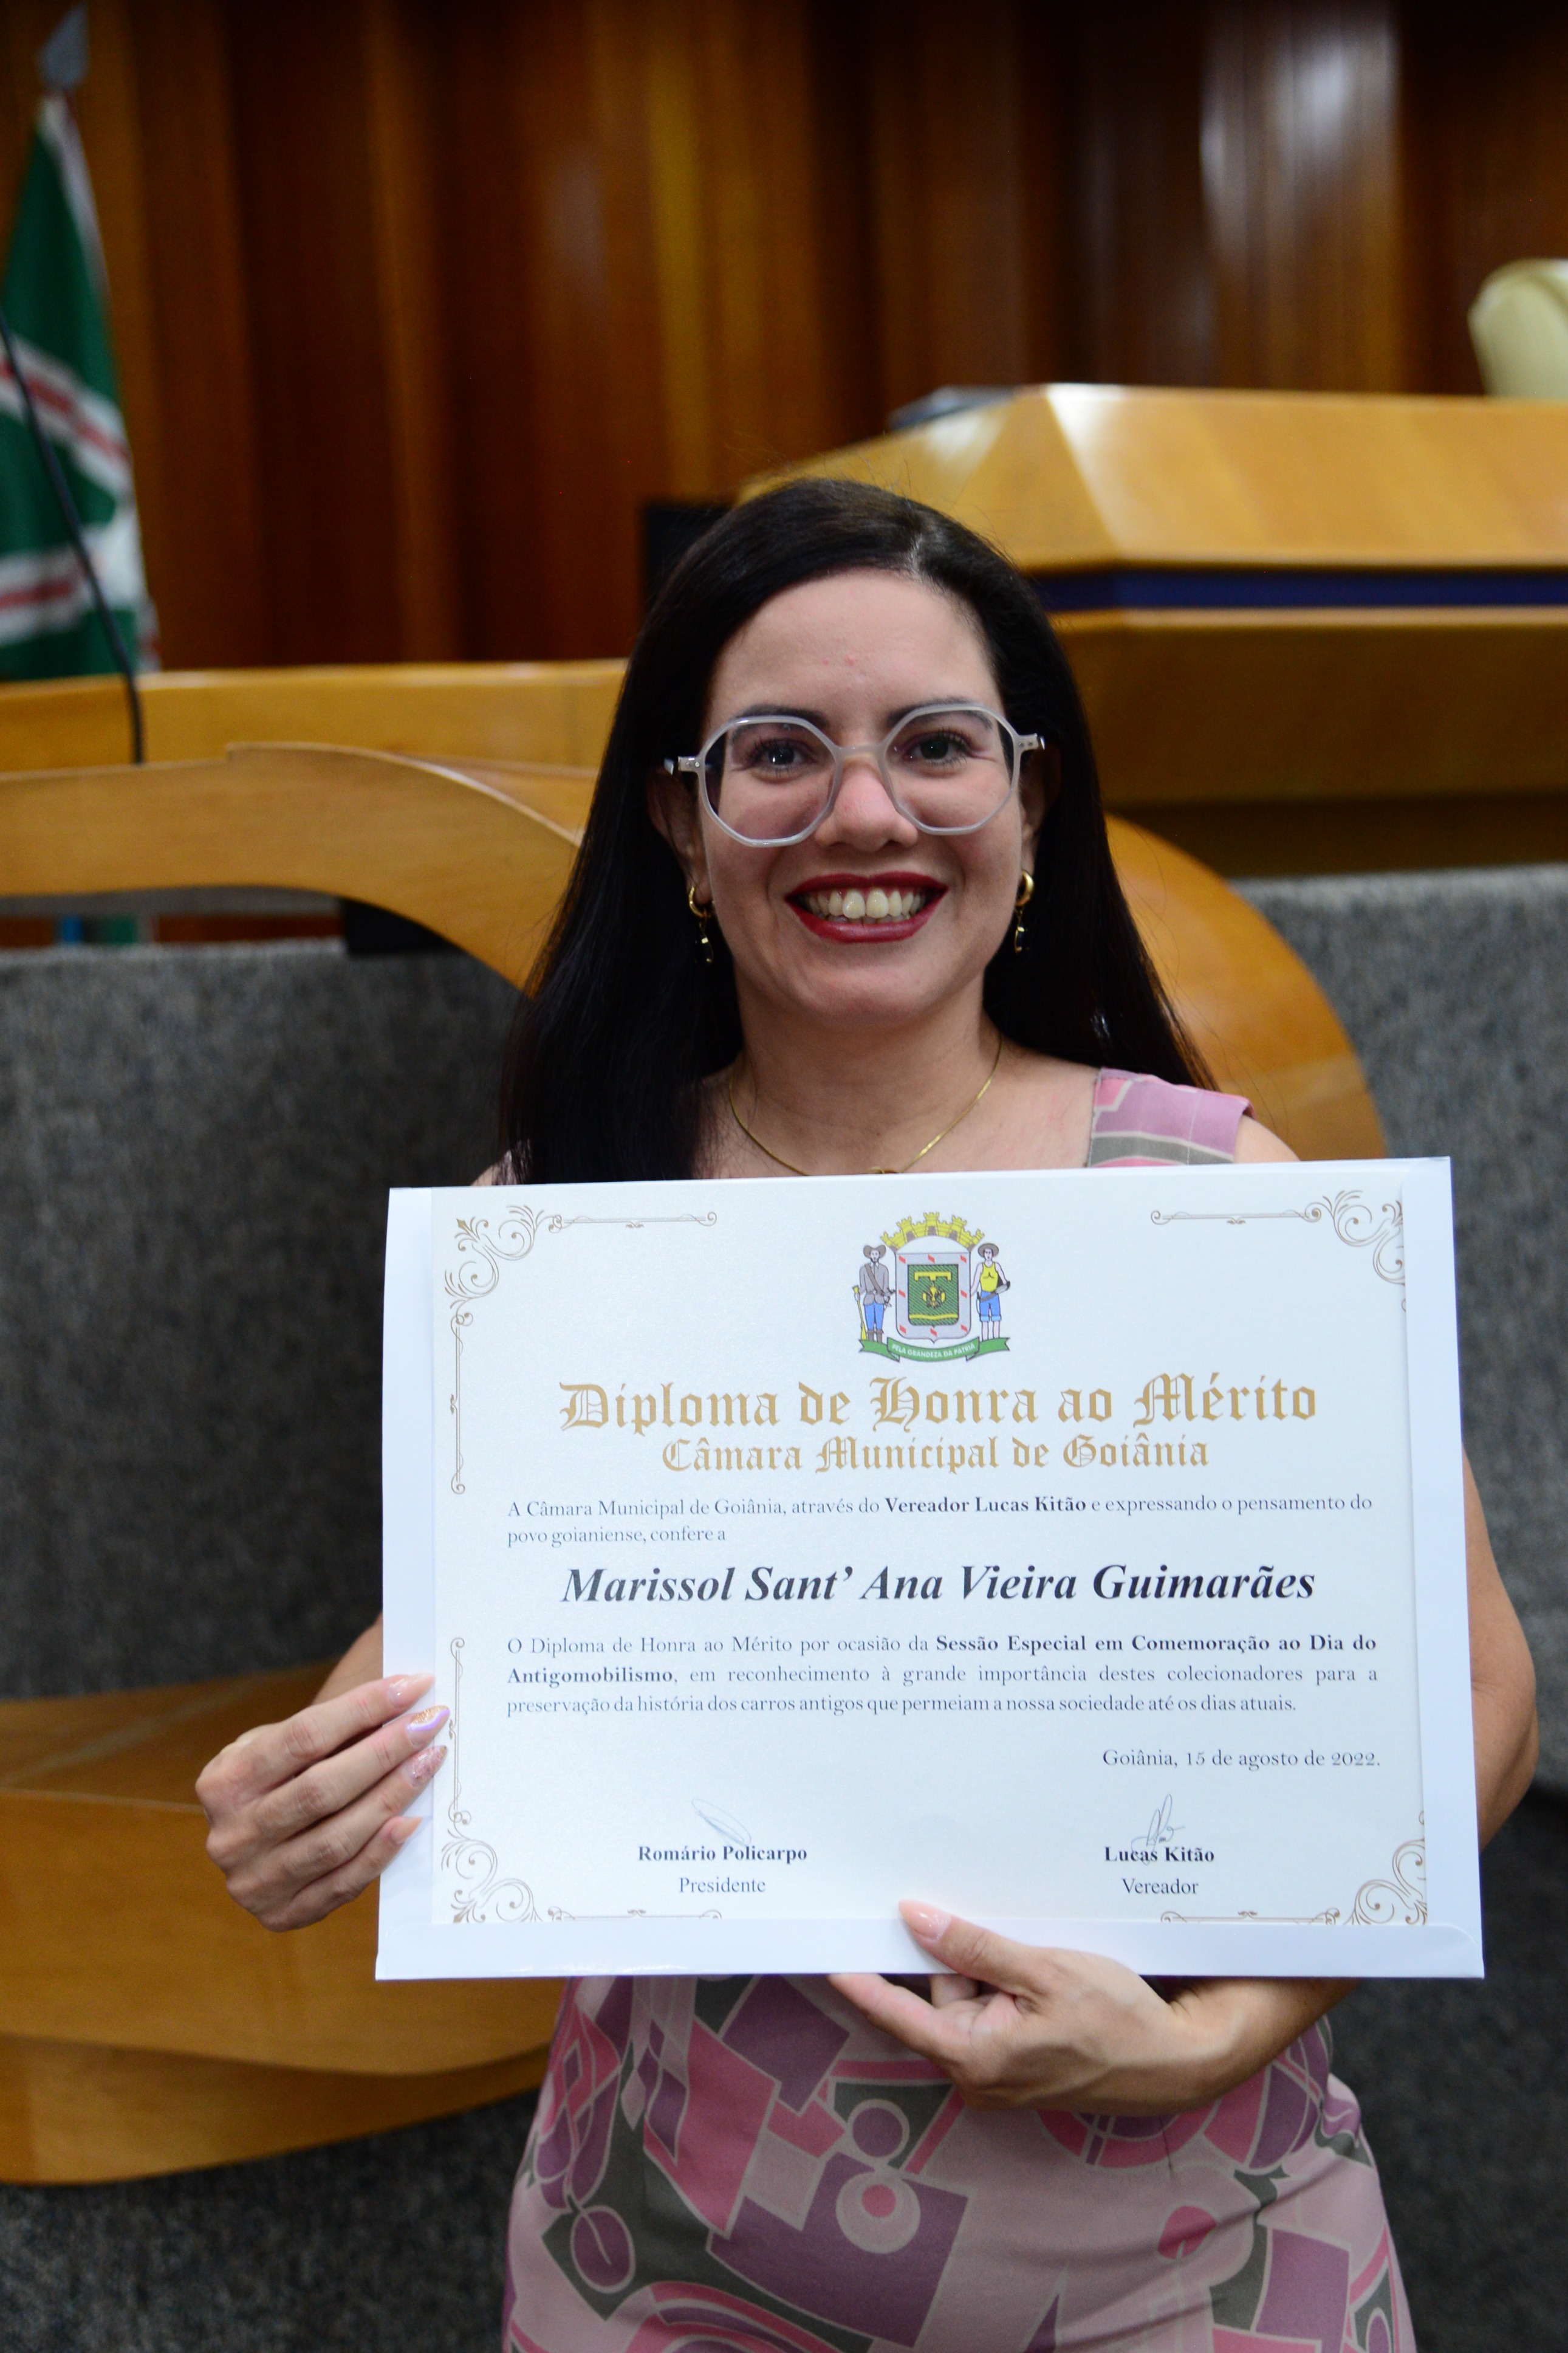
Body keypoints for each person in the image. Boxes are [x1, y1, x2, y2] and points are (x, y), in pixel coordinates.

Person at [197, 480, 1537, 2352]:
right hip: (665, 2254)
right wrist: (316, 1789)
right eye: (778, 754)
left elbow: (1473, 1696)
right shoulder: (564, 1223)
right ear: (682, 819)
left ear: (1032, 801)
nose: (862, 814)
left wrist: (1220, 2034)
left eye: (934, 746)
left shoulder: (1222, 1199)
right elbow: (505, 1632)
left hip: (1196, 2251)